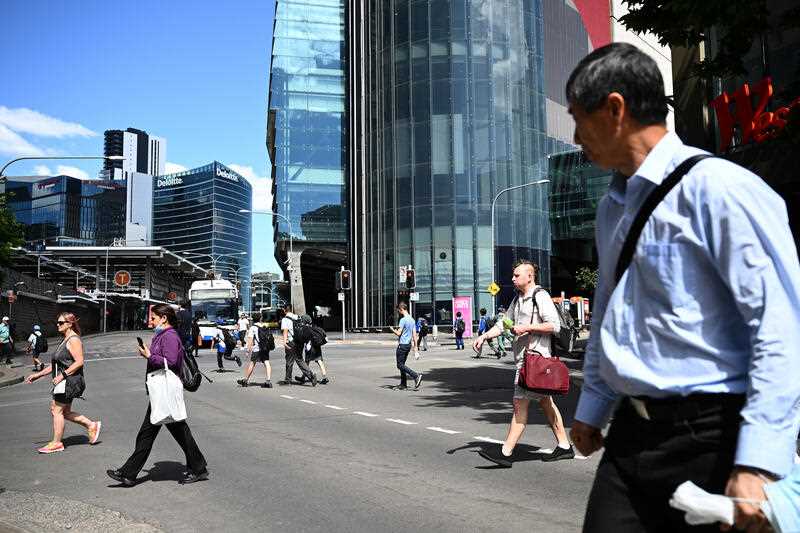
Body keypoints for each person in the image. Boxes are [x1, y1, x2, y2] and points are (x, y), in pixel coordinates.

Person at [564, 43, 800, 533]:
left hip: (712, 438)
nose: (575, 135)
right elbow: (611, 313)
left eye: (578, 117)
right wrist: (593, 407)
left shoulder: (720, 190)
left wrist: (756, 463)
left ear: (614, 109)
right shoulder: (612, 207)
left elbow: (779, 328)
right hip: (632, 437)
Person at [473, 260, 573, 466]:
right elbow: (503, 323)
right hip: (526, 359)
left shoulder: (540, 296)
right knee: (546, 402)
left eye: (516, 275)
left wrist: (527, 327)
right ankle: (564, 446)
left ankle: (506, 452)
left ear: (530, 276)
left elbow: (553, 325)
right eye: (513, 275)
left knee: (519, 404)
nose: (512, 278)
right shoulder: (518, 299)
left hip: (534, 361)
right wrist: (484, 336)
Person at [107, 304, 208, 486]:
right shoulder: (163, 335)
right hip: (160, 390)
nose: (151, 321)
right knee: (166, 433)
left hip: (164, 390)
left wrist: (149, 356)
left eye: (153, 318)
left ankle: (129, 473)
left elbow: (171, 362)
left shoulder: (169, 336)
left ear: (164, 318)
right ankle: (129, 473)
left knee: (158, 433)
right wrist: (151, 352)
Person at [24, 313, 101, 454]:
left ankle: (57, 442)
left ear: (70, 323)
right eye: (57, 323)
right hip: (66, 381)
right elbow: (55, 365)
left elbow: (79, 362)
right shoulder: (65, 339)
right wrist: (38, 375)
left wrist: (62, 376)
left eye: (60, 323)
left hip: (70, 381)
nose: (58, 325)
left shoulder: (73, 340)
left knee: (56, 409)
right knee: (64, 412)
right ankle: (91, 425)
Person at [278, 306, 316, 386]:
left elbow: (285, 331)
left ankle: (288, 380)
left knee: (289, 361)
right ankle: (311, 376)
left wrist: (284, 342)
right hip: (300, 341)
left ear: (284, 310)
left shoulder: (285, 319)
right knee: (300, 359)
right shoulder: (298, 317)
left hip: (291, 342)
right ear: (291, 309)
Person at [390, 303, 422, 391]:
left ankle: (416, 375)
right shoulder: (412, 320)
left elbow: (398, 333)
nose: (399, 313)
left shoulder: (403, 320)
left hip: (402, 345)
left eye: (398, 311)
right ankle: (403, 384)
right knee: (402, 365)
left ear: (401, 309)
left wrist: (392, 329)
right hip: (408, 345)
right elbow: (414, 335)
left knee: (399, 365)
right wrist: (415, 347)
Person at [238, 311, 273, 388]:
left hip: (257, 348)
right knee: (267, 363)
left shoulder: (253, 328)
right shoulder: (265, 326)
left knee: (252, 363)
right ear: (261, 318)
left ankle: (245, 380)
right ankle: (268, 381)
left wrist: (247, 350)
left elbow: (250, 340)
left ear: (253, 319)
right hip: (265, 348)